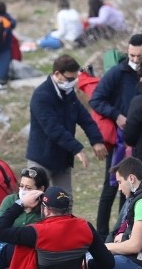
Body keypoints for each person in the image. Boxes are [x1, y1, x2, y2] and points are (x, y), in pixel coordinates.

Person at [90, 34, 142, 234]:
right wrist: (116, 115)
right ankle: (101, 233)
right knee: (111, 187)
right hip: (119, 140)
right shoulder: (117, 73)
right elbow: (96, 100)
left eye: (139, 56)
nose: (134, 59)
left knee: (132, 185)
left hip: (140, 137)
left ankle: (123, 229)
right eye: (131, 55)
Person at [26, 54, 108, 194]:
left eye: (74, 78)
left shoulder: (68, 93)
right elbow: (53, 129)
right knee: (34, 202)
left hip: (62, 159)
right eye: (69, 79)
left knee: (65, 201)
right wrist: (77, 149)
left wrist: (96, 140)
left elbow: (84, 118)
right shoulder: (41, 95)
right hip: (41, 158)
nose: (72, 82)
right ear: (57, 74)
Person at [0, 165, 48, 269]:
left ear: (41, 189)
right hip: (1, 245)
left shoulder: (46, 208)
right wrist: (20, 204)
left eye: (29, 188)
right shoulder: (10, 201)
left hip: (30, 250)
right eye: (21, 186)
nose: (23, 190)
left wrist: (10, 233)